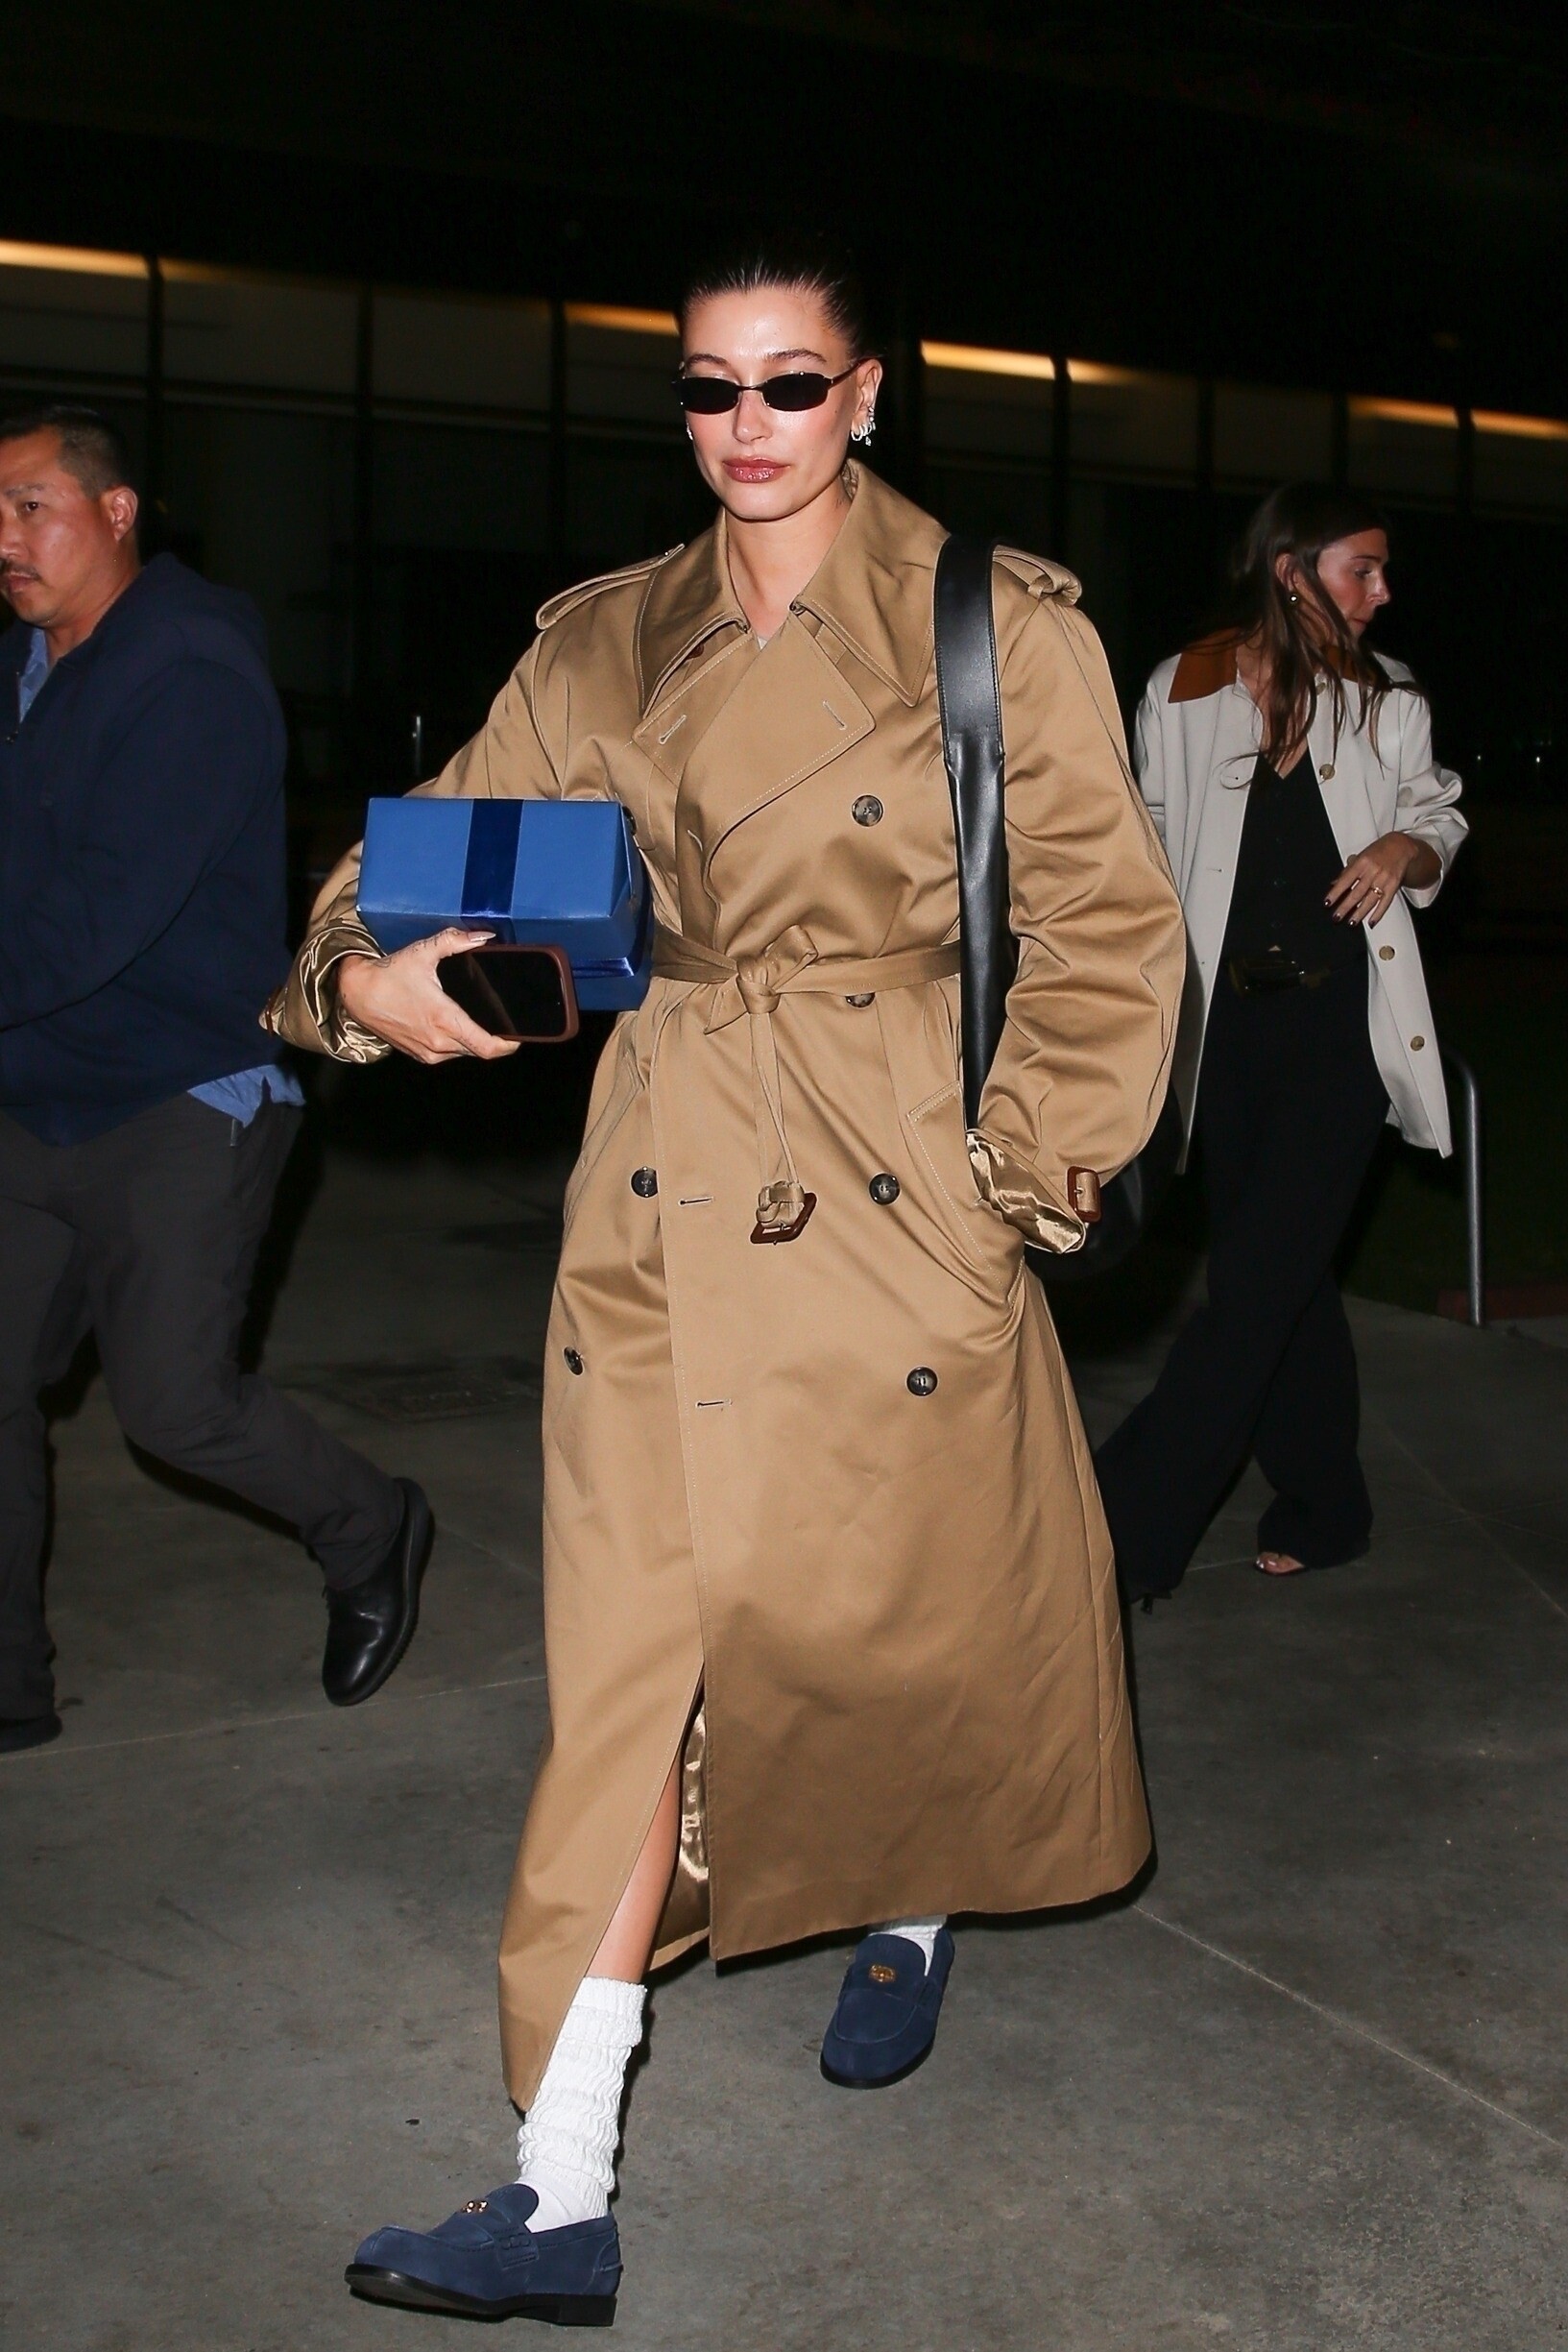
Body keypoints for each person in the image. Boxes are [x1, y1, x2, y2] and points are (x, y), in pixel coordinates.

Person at [270, 235, 1184, 2326]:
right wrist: (355, 974)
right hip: (664, 1180)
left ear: (868, 394)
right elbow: (419, 848)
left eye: (789, 383)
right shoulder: (608, 637)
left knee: (893, 1613)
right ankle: (557, 2182)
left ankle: (912, 1895)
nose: (745, 425)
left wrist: (1011, 1184)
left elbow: (1108, 929)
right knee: (634, 1669)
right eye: (707, 386)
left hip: (898, 1169)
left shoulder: (991, 622)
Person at [0, 404, 433, 1758]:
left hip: (182, 1090)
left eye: (28, 506)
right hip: (32, 1090)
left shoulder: (189, 671)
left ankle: (373, 1523)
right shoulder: (20, 665)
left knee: (176, 1407)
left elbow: (98, 919)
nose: (4, 538)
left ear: (116, 511)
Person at [1095, 484, 1467, 1600]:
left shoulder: (1387, 701)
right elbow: (1140, 847)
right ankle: (1327, 1507)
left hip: (1339, 1031)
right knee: (1285, 1281)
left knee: (1250, 1290)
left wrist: (1405, 847)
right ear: (1292, 571)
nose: (1382, 591)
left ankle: (1116, 1530)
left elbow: (1439, 812)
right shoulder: (1182, 688)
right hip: (1224, 1036)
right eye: (1363, 568)